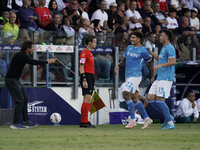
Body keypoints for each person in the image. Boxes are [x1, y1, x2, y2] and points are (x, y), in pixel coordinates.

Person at [5, 40, 56, 129]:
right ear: (27, 48)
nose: (33, 49)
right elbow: (32, 62)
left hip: (15, 80)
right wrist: (46, 62)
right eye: (32, 47)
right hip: (11, 80)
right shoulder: (21, 55)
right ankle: (15, 123)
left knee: (24, 100)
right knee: (20, 100)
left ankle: (26, 121)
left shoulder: (22, 56)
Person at [114, 31, 154, 129]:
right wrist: (118, 65)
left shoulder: (143, 51)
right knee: (135, 99)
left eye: (133, 37)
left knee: (126, 94)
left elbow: (150, 64)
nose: (131, 39)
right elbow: (124, 59)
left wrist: (152, 76)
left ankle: (132, 120)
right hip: (128, 76)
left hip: (136, 76)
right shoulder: (129, 48)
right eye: (131, 37)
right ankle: (147, 118)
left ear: (139, 39)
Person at [147, 29, 176, 130]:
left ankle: (170, 123)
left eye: (162, 35)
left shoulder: (170, 48)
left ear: (166, 37)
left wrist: (160, 66)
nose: (160, 37)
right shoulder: (163, 48)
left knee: (160, 100)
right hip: (159, 77)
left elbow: (173, 61)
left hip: (166, 78)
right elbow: (160, 58)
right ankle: (168, 116)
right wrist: (150, 52)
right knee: (150, 98)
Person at [79, 35, 97, 128]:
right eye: (94, 42)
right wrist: (84, 79)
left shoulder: (89, 53)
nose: (96, 44)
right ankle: (84, 122)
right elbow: (81, 67)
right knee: (87, 99)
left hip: (90, 77)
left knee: (86, 100)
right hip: (86, 76)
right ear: (90, 43)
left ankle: (84, 121)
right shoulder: (84, 53)